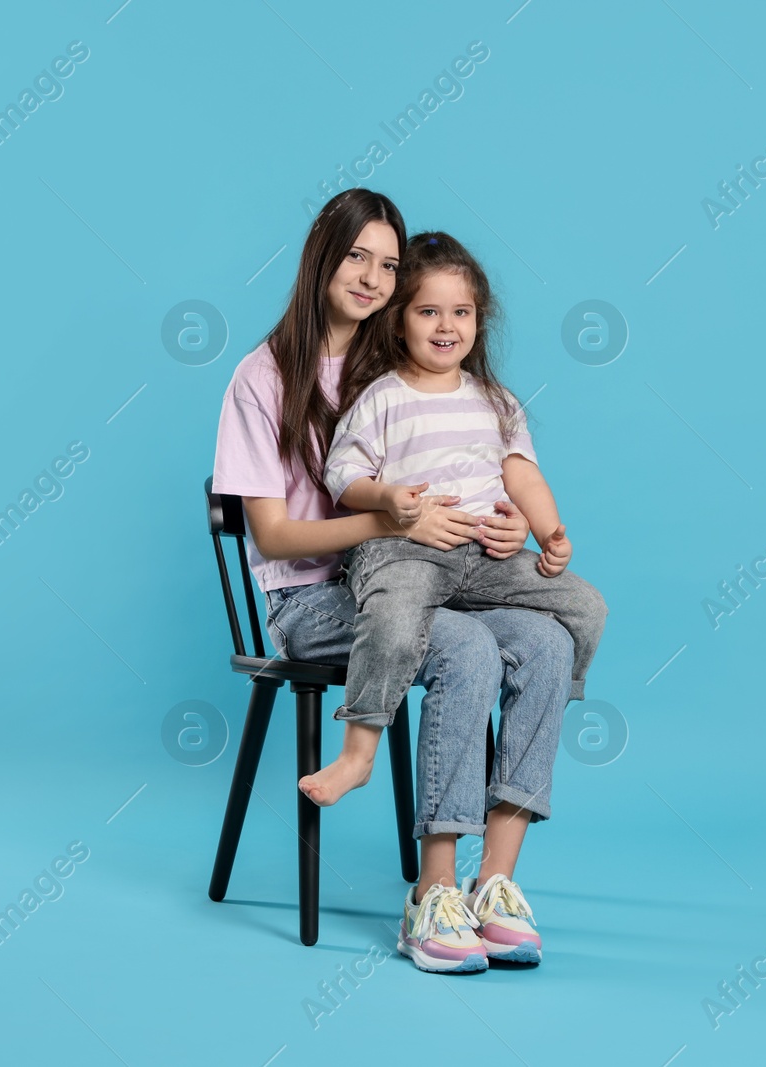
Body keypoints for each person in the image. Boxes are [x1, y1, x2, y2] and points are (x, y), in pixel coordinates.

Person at [212, 191, 572, 973]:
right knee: (467, 647)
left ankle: (496, 884)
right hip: (314, 597)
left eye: (388, 263)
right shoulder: (263, 375)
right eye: (356, 256)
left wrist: (506, 521)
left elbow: (475, 464)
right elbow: (272, 535)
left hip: (432, 578)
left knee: (547, 637)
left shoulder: (400, 360)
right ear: (320, 255)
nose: (373, 277)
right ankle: (431, 895)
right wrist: (390, 524)